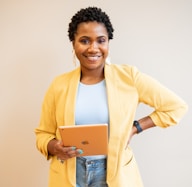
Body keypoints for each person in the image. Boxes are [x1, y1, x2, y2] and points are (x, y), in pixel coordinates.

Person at [35, 7, 188, 187]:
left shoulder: (129, 77)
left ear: (108, 43)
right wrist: (54, 147)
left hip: (115, 175)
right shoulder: (59, 85)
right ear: (73, 43)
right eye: (84, 41)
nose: (93, 48)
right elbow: (42, 134)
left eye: (101, 40)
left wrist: (135, 127)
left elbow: (176, 107)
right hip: (69, 174)